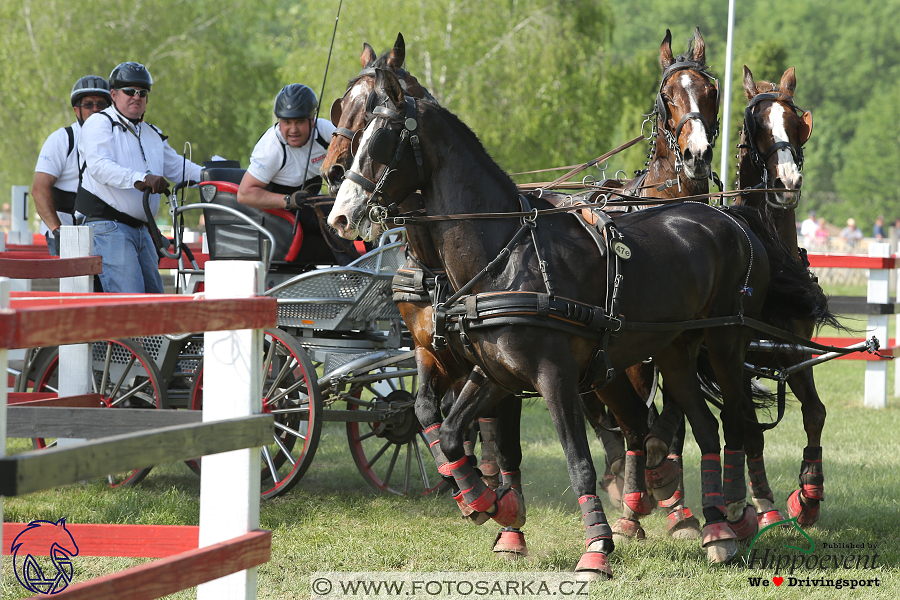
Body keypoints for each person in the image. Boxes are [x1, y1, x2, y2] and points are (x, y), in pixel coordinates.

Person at [76, 61, 202, 293]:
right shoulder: (99, 123)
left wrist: (210, 175)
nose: (136, 96)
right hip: (108, 225)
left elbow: (176, 167)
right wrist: (142, 178)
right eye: (129, 91)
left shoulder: (151, 132)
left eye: (142, 92)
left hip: (142, 228)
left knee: (155, 298)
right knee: (132, 300)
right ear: (113, 94)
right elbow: (100, 167)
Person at [237, 83, 360, 265]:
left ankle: (377, 261)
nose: (293, 130)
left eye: (300, 122)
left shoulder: (323, 131)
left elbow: (355, 148)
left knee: (359, 206)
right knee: (334, 210)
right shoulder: (270, 149)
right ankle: (354, 273)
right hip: (280, 214)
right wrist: (287, 200)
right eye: (287, 122)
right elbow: (244, 194)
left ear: (312, 119)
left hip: (309, 205)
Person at [33, 76, 112, 255]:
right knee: (72, 283)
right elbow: (39, 189)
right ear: (77, 110)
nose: (95, 109)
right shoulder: (61, 140)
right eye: (88, 104)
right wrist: (57, 230)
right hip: (65, 230)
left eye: (101, 104)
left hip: (106, 233)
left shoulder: (117, 141)